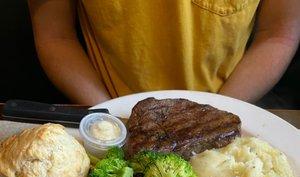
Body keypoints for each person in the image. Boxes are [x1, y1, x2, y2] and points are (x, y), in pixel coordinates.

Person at [28, 0, 300, 106]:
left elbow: (277, 35)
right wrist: (109, 116)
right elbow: (56, 35)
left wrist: (216, 114)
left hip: (230, 102)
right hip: (108, 108)